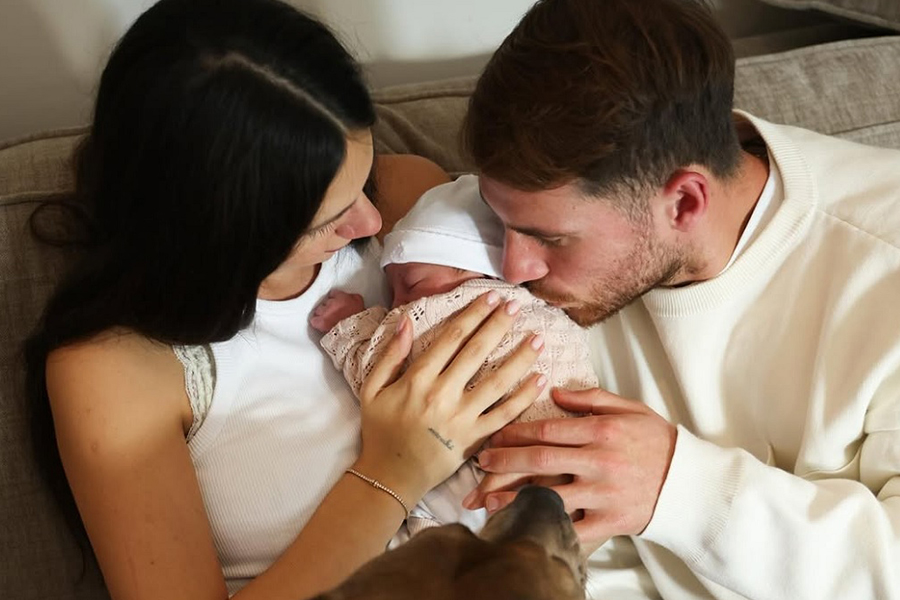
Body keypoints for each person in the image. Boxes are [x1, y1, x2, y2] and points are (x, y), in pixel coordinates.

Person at [22, 1, 546, 599]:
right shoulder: (114, 372)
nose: (371, 223)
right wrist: (394, 471)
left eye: (363, 176)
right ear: (214, 232)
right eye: (324, 221)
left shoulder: (413, 200)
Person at [459, 0, 900, 598]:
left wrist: (679, 487)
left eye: (550, 239)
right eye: (500, 222)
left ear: (686, 202)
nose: (514, 269)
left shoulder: (881, 266)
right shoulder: (567, 206)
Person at [309, 174, 597, 544]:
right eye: (392, 291)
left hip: (497, 478)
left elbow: (386, 384)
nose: (397, 305)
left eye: (412, 284)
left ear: (481, 272)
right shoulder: (553, 317)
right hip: (551, 494)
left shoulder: (464, 307)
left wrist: (350, 326)